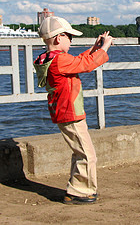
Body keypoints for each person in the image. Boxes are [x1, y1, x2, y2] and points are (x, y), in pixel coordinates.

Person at [34, 16, 114, 204]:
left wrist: (95, 48)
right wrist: (104, 48)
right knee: (87, 154)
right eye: (69, 36)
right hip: (70, 112)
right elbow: (86, 65)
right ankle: (80, 191)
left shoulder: (49, 59)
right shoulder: (60, 61)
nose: (71, 40)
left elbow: (78, 61)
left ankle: (77, 188)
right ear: (58, 38)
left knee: (80, 152)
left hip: (63, 111)